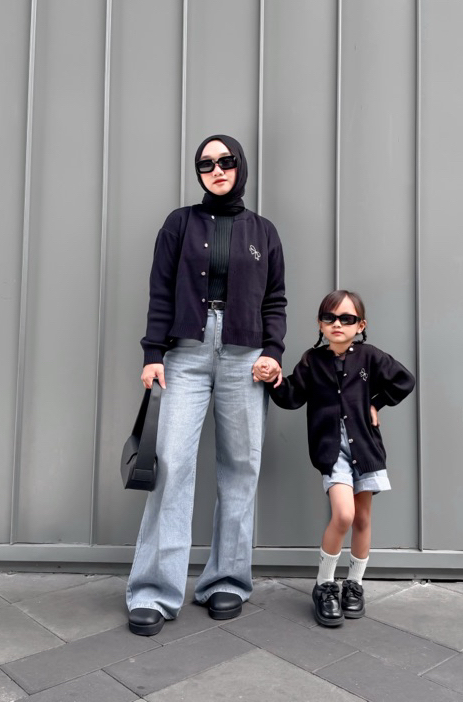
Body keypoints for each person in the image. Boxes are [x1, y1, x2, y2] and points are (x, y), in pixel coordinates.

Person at [127, 134, 286, 636]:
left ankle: (227, 580)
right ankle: (154, 590)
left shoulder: (263, 231)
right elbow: (160, 290)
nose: (217, 170)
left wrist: (273, 351)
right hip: (186, 354)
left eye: (226, 161)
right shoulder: (179, 223)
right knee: (172, 465)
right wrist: (153, 354)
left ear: (241, 166)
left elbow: (275, 299)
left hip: (245, 355)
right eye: (206, 164)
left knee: (241, 466)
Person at [265, 290, 415, 627]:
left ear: (360, 325)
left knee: (362, 519)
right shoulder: (312, 361)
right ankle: (324, 584)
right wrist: (273, 381)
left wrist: (376, 402)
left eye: (347, 319)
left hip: (366, 450)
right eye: (329, 318)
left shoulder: (370, 357)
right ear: (320, 323)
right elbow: (292, 396)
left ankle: (354, 585)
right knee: (344, 514)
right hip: (332, 452)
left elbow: (404, 380)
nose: (337, 324)